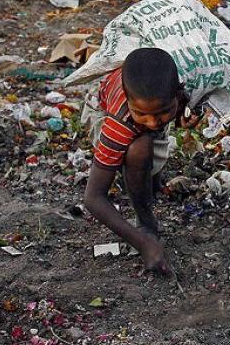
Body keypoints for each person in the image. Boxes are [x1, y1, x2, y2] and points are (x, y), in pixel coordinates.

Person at [83, 48, 193, 276]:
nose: (153, 122)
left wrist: (183, 116)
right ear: (129, 101)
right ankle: (145, 221)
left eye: (163, 112)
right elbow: (93, 198)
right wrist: (143, 243)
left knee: (146, 144)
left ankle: (146, 181)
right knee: (138, 150)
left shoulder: (176, 92)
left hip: (146, 108)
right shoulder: (120, 124)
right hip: (101, 109)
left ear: (177, 94)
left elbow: (165, 111)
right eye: (141, 114)